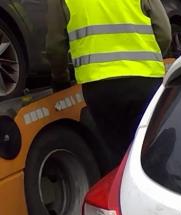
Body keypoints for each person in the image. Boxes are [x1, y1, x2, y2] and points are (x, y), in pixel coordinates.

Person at [47, 0, 172, 169]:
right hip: (144, 80)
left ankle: (125, 180)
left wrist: (60, 79)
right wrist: (153, 56)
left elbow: (55, 47)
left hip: (99, 87)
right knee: (152, 146)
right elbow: (164, 33)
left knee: (119, 154)